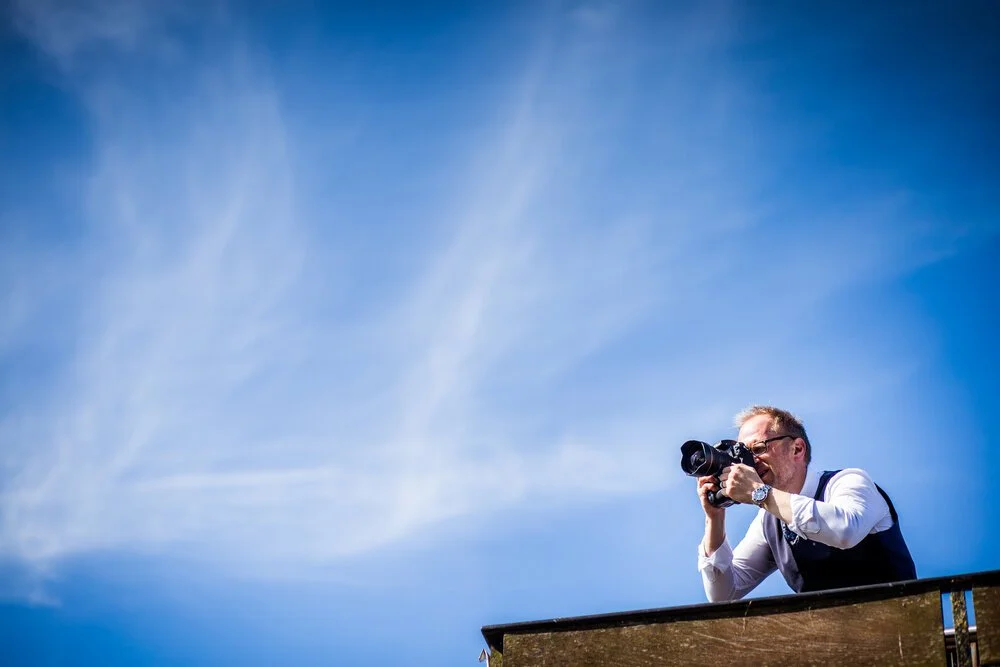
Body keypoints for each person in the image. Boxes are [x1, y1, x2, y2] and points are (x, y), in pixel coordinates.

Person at [697, 405, 916, 601]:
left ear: (797, 449)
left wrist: (759, 493)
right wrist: (714, 517)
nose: (748, 462)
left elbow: (845, 531)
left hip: (903, 631)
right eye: (742, 454)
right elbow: (723, 594)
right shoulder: (768, 521)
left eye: (758, 449)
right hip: (833, 641)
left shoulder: (847, 481)